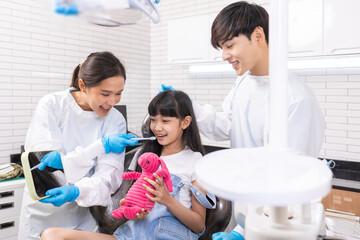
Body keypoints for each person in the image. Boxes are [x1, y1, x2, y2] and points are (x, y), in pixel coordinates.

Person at [161, 1, 325, 239]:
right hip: (250, 216)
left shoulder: (294, 99)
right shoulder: (244, 82)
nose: (224, 55)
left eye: (229, 45)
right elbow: (227, 125)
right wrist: (188, 106)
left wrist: (242, 232)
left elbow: (287, 182)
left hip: (282, 225)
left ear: (258, 35)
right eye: (221, 47)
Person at [39, 90, 216, 240]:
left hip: (168, 236)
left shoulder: (196, 161)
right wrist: (132, 209)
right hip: (130, 235)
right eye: (153, 120)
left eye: (166, 121)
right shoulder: (143, 155)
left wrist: (167, 200)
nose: (157, 127)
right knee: (51, 235)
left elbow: (199, 226)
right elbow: (135, 200)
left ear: (185, 122)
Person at [18, 51, 139, 240]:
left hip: (82, 214)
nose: (113, 102)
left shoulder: (115, 120)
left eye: (119, 94)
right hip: (41, 211)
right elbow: (48, 171)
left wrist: (77, 191)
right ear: (83, 85)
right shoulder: (52, 105)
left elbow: (109, 178)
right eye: (105, 94)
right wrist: (99, 146)